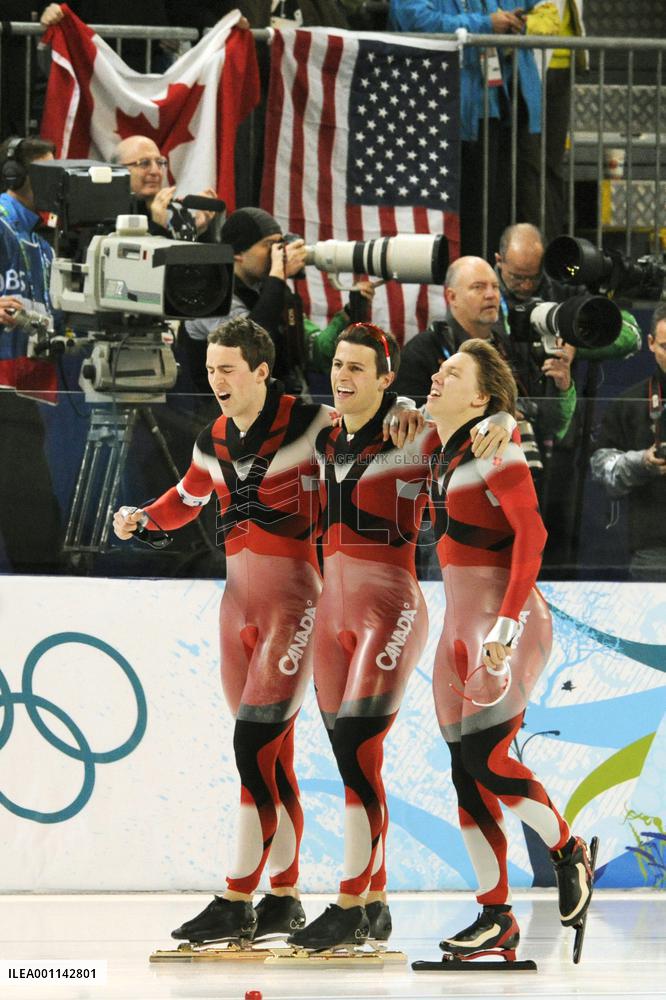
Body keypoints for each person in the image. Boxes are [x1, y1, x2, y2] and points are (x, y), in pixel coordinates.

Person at [112, 316, 421, 946]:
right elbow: (184, 499)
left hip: (298, 604)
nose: (216, 380)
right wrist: (141, 519)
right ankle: (283, 896)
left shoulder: (314, 424)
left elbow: (377, 417)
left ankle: (237, 896)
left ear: (260, 371)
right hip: (237, 612)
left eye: (228, 369)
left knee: (254, 747)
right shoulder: (211, 438)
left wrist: (407, 403)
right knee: (268, 757)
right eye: (210, 370)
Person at [287, 323, 512, 952]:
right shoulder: (325, 434)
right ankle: (373, 905)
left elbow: (481, 424)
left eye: (359, 368)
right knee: (349, 754)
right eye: (337, 364)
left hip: (391, 604)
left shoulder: (413, 432)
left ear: (387, 379)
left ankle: (347, 900)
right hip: (332, 606)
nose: (343, 376)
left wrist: (507, 423)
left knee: (359, 748)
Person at [425, 337, 593, 960]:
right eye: (438, 371)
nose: (437, 378)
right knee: (464, 773)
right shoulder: (441, 445)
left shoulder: (497, 447)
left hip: (508, 624)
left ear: (481, 395)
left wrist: (503, 627)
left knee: (488, 762)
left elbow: (535, 532)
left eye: (451, 373)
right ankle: (496, 918)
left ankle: (567, 849)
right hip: (458, 629)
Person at [389, 1, 545, 257]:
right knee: (451, 218)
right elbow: (415, 19)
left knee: (491, 216)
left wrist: (508, 21)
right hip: (440, 113)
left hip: (494, 106)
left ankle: (482, 281)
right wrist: (485, 25)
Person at [394, 256, 576, 466]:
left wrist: (562, 388)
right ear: (451, 297)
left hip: (521, 474)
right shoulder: (424, 349)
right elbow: (407, 433)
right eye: (478, 287)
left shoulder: (511, 347)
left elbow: (552, 424)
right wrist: (488, 416)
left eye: (495, 287)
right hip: (451, 480)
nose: (491, 295)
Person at [183, 206, 374, 397]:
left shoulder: (272, 290)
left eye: (279, 244)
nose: (278, 253)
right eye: (269, 245)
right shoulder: (211, 296)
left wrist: (350, 313)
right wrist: (277, 276)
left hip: (276, 406)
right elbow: (248, 345)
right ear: (237, 254)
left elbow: (312, 349)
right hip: (220, 415)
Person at [0, 134, 63, 572]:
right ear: (16, 175)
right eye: (45, 172)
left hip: (29, 391)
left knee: (32, 511)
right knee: (32, 515)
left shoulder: (42, 241)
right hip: (4, 391)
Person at [591, 303, 666, 582]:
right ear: (650, 343)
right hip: (654, 547)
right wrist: (641, 462)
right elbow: (600, 469)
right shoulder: (630, 402)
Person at [114, 135, 218, 240]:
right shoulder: (106, 217)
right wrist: (157, 227)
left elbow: (197, 255)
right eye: (144, 163)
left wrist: (198, 230)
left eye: (159, 163)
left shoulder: (175, 212)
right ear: (119, 170)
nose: (156, 171)